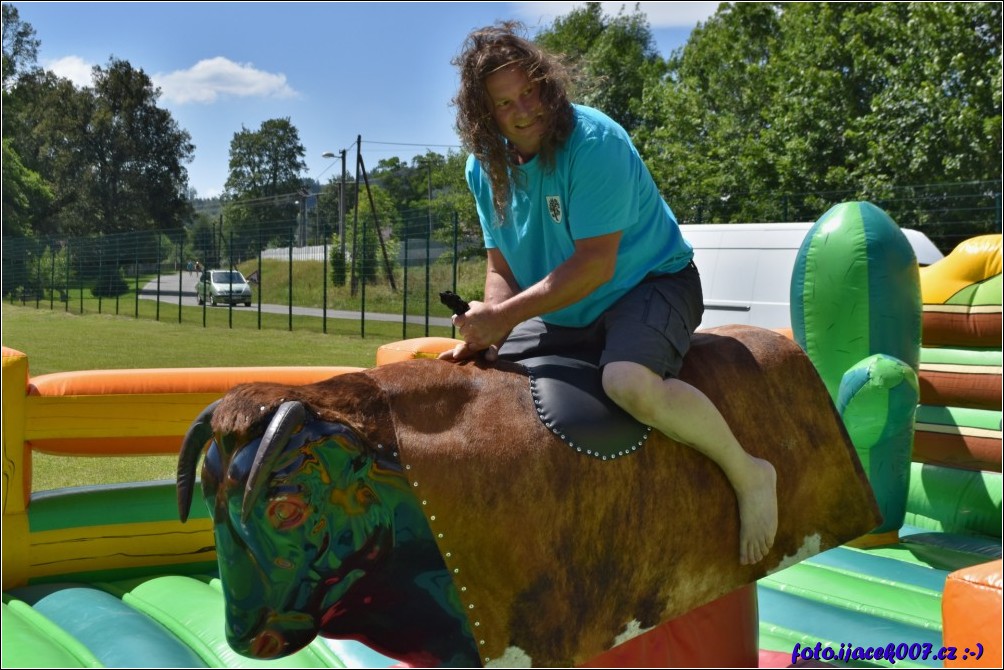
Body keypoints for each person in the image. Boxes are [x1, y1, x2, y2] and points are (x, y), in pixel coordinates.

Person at [441, 22, 778, 565]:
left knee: (627, 382)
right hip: (564, 305)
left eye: (529, 90)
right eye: (505, 104)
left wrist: (503, 317)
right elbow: (500, 263)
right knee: (481, 378)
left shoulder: (593, 142)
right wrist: (489, 323)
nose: (524, 109)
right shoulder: (484, 167)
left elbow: (595, 266)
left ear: (546, 81)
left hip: (648, 282)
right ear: (485, 115)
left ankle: (749, 472)